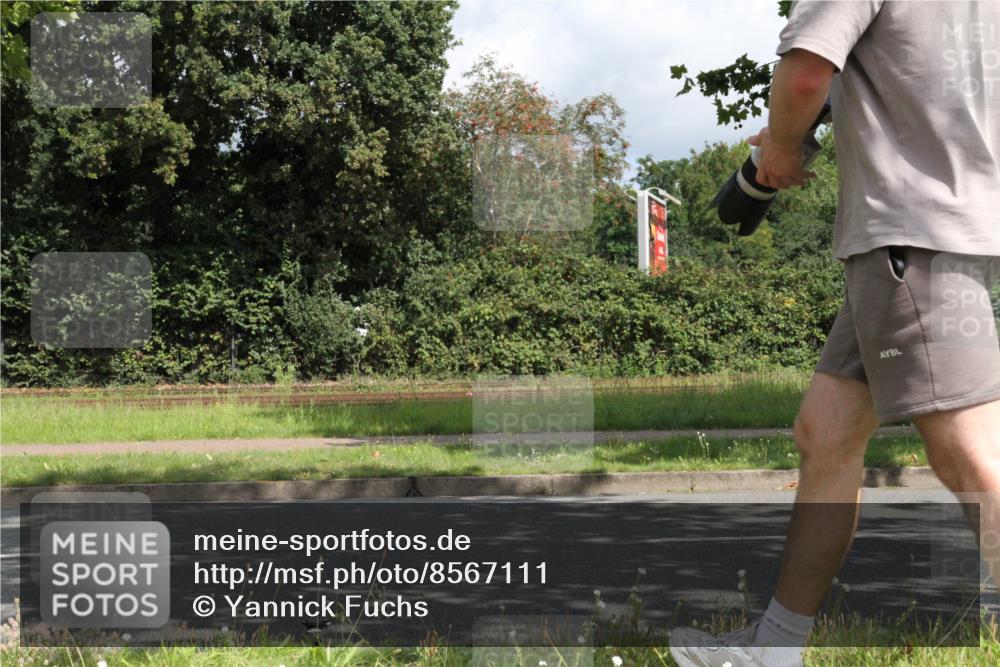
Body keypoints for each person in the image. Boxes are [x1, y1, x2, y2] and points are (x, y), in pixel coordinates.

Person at [669, 1, 1000, 666]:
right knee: (826, 432)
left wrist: (783, 149)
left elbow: (802, 77)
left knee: (972, 456)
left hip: (908, 237)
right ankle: (775, 648)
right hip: (937, 231)